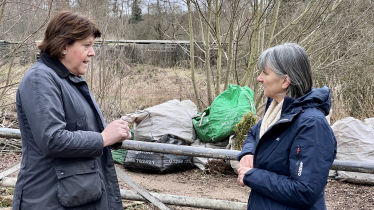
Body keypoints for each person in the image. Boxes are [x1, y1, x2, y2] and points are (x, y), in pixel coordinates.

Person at [13, 11, 131, 210]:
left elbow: (85, 129)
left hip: (76, 196)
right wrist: (103, 139)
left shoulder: (70, 80)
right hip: (50, 199)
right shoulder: (40, 79)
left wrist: (114, 133)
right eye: (86, 45)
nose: (92, 52)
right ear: (64, 46)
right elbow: (52, 139)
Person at [237, 43, 337, 210]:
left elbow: (304, 191)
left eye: (265, 73)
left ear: (285, 81)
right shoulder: (278, 111)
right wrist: (248, 152)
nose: (259, 78)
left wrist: (252, 176)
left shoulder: (312, 125)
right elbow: (255, 134)